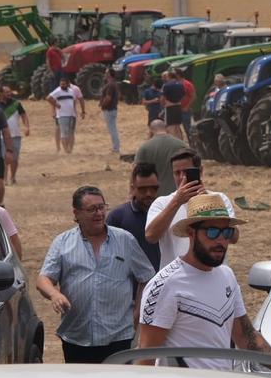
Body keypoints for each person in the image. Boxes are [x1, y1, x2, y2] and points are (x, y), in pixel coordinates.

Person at [137, 194, 271, 378]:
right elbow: (145, 358)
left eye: (226, 232)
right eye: (212, 232)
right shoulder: (165, 285)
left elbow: (246, 337)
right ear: (191, 232)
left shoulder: (226, 276)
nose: (221, 240)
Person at [37, 185, 155, 363]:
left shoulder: (125, 239)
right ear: (76, 214)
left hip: (118, 337)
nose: (99, 213)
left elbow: (146, 277)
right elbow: (43, 279)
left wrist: (137, 314)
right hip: (76, 337)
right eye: (92, 209)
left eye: (102, 207)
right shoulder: (63, 242)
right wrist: (54, 294)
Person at [144, 150, 235, 268]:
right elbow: (151, 236)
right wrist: (177, 201)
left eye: (187, 172)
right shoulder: (162, 203)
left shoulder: (219, 199)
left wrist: (209, 203)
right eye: (177, 173)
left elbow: (234, 237)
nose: (182, 177)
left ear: (200, 171)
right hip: (178, 278)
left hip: (214, 275)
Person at [107, 162, 162, 270]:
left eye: (153, 188)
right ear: (133, 189)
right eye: (143, 189)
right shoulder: (118, 217)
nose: (149, 193)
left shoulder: (166, 213)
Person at [134, 120, 187, 197]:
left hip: (153, 194)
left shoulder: (145, 147)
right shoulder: (181, 145)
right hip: (178, 193)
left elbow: (135, 171)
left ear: (150, 131)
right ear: (166, 128)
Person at [0, 85, 30, 185]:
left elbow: (23, 114)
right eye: (7, 92)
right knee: (3, 159)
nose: (9, 94)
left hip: (15, 135)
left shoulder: (16, 103)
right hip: (1, 137)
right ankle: (4, 179)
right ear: (1, 93)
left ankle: (13, 177)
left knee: (14, 158)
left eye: (10, 92)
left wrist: (27, 127)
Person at [48, 75, 86, 154]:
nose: (62, 86)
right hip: (62, 115)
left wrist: (80, 111)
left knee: (71, 132)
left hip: (72, 115)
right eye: (61, 84)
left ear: (68, 84)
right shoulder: (57, 91)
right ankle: (65, 150)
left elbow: (76, 101)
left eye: (64, 84)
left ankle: (70, 150)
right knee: (63, 133)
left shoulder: (72, 91)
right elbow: (49, 98)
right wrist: (56, 106)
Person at [99, 68, 121, 154]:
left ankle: (116, 148)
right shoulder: (113, 84)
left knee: (112, 129)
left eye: (106, 73)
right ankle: (116, 147)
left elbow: (108, 98)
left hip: (109, 109)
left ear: (109, 74)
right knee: (113, 128)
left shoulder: (110, 85)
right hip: (112, 109)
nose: (105, 74)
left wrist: (102, 104)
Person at [160, 71, 186, 141]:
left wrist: (163, 105)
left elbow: (162, 98)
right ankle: (181, 143)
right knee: (177, 127)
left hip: (170, 107)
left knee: (170, 127)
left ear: (169, 76)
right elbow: (184, 96)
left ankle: (174, 144)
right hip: (178, 106)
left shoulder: (166, 85)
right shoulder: (180, 84)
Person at [179, 71, 196, 139]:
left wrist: (187, 107)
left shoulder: (187, 84)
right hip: (177, 109)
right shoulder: (176, 84)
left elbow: (194, 96)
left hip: (185, 110)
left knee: (188, 129)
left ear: (178, 75)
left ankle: (193, 144)